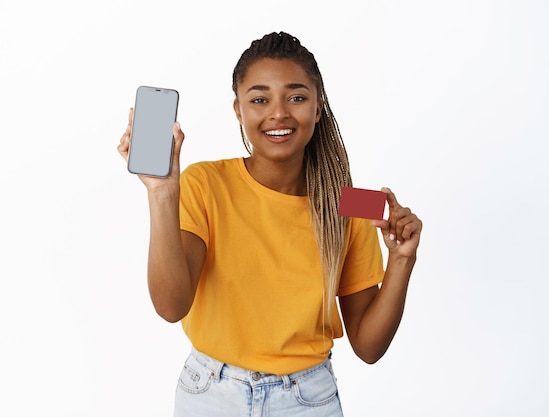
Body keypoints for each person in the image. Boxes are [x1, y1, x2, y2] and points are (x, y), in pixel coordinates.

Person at [117, 31, 422, 417]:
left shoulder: (349, 203)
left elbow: (368, 347)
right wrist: (161, 193)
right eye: (259, 99)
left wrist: (401, 261)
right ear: (238, 110)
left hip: (308, 400)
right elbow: (170, 306)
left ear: (318, 108)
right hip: (211, 395)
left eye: (296, 97)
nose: (278, 112)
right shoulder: (203, 183)